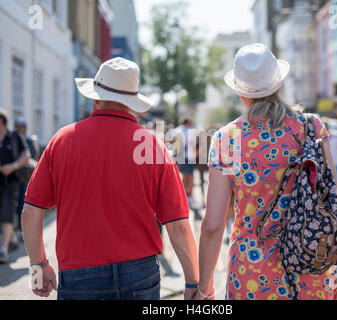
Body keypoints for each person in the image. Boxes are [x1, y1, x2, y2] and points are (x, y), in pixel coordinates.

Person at [22, 58, 199, 300]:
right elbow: (178, 225)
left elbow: (31, 212)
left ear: (95, 97)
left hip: (79, 272)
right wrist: (193, 282)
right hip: (140, 273)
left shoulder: (62, 140)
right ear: (132, 103)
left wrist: (39, 266)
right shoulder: (151, 146)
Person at [195, 43, 337, 300]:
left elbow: (213, 225)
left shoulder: (227, 139)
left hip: (251, 275)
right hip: (311, 267)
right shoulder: (311, 128)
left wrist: (203, 288)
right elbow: (335, 204)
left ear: (240, 94)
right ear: (279, 85)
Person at [0, 110, 30, 263]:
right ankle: (12, 239)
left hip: (11, 181)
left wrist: (12, 166)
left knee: (6, 213)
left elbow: (26, 155)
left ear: (2, 122)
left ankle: (3, 250)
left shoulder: (13, 136)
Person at [14, 117, 40, 234]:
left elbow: (34, 155)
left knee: (24, 202)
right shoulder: (13, 140)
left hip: (26, 176)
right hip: (15, 177)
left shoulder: (29, 140)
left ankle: (24, 228)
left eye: (22, 127)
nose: (20, 129)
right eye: (18, 127)